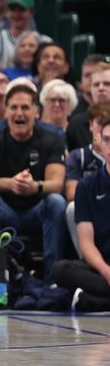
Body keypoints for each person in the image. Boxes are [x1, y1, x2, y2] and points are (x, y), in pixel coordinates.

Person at [0, 83, 67, 280]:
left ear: (37, 112)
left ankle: (53, 281)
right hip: (5, 209)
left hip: (37, 211)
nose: (19, 113)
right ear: (6, 112)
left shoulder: (52, 140)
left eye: (25, 107)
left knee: (57, 202)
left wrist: (34, 187)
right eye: (14, 107)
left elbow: (57, 184)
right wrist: (11, 184)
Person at [52, 117, 110, 311]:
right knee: (60, 270)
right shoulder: (87, 185)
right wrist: (106, 271)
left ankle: (95, 302)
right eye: (107, 140)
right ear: (100, 144)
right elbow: (86, 243)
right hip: (101, 266)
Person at [64, 102, 110, 257]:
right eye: (99, 122)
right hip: (92, 214)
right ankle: (87, 260)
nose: (102, 127)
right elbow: (71, 194)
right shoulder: (80, 156)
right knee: (72, 207)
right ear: (90, 125)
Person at [67, 63, 110, 151]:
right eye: (96, 84)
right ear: (90, 88)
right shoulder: (76, 123)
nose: (101, 88)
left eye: (107, 84)